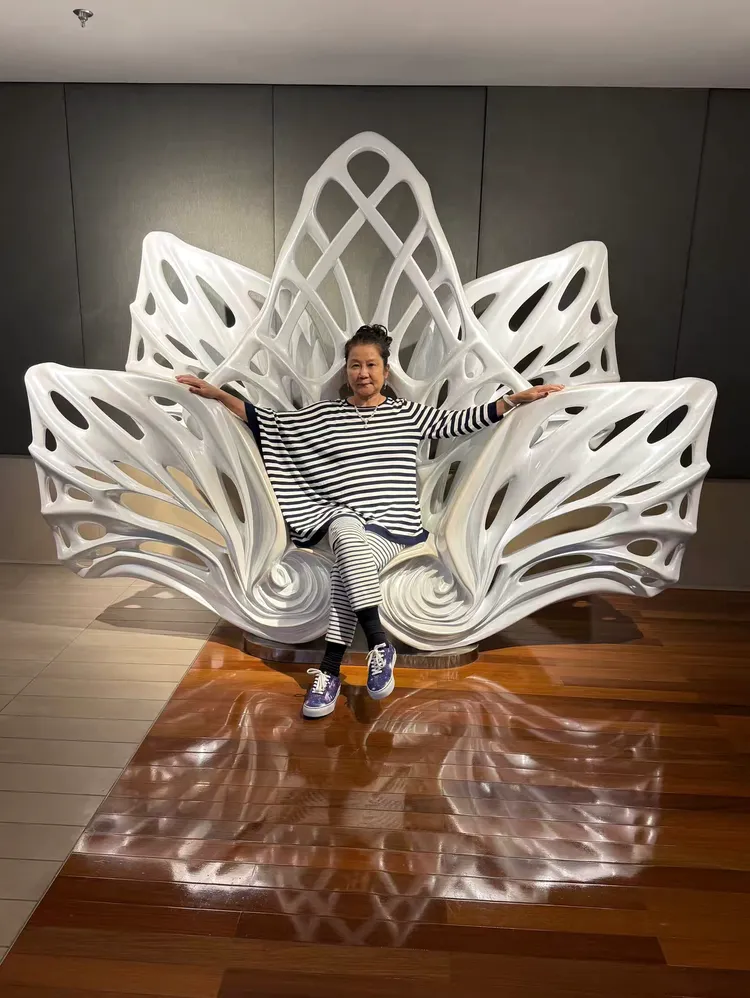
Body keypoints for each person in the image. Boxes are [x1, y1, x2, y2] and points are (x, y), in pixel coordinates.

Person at [177, 324, 563, 719]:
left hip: (395, 527)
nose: (363, 373)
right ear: (346, 370)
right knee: (344, 528)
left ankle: (330, 673)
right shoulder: (325, 415)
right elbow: (269, 422)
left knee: (345, 567)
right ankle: (378, 646)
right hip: (342, 518)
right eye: (355, 365)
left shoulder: (407, 414)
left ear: (386, 371)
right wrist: (219, 395)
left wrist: (513, 400)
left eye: (371, 365)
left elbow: (459, 422)